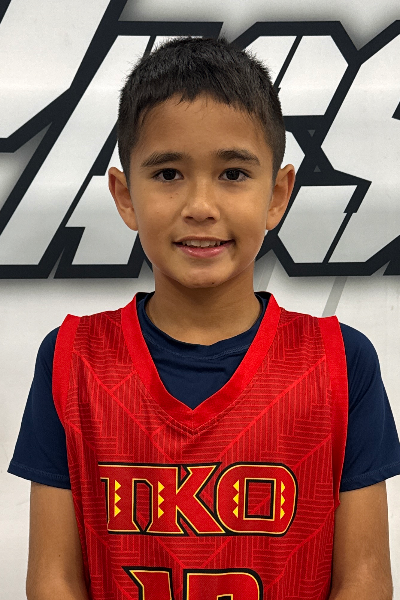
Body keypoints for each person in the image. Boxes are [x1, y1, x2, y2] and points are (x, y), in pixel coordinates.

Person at [8, 36, 400, 600]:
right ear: (124, 195)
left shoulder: (341, 361)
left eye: (233, 174)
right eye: (168, 174)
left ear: (277, 194)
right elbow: (54, 580)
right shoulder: (72, 359)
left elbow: (365, 580)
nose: (200, 206)